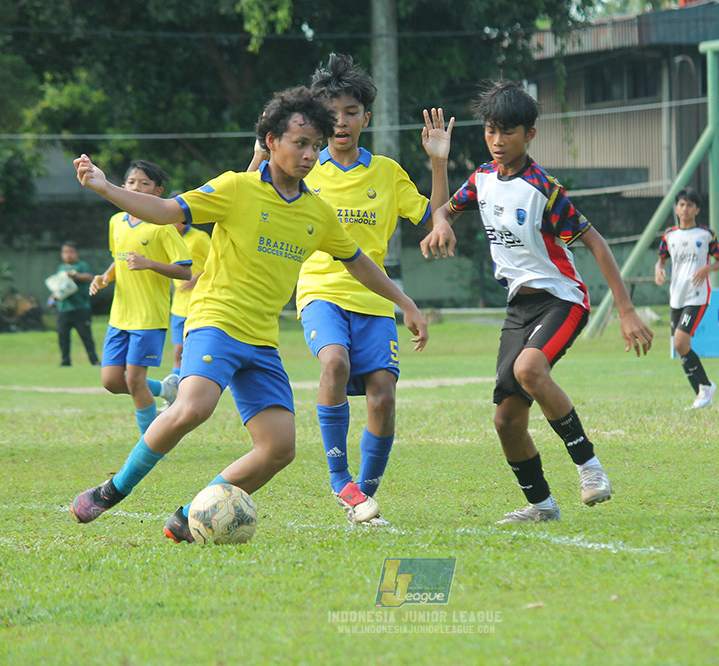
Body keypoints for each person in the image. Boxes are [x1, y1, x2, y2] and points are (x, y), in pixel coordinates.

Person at [69, 85, 428, 543]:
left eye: (316, 146)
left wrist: (405, 303)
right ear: (271, 141)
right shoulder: (235, 188)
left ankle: (191, 515)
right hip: (215, 321)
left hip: (261, 341)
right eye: (300, 143)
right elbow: (164, 210)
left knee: (279, 448)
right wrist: (106, 187)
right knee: (194, 406)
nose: (310, 154)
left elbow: (358, 261)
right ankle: (112, 490)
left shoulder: (316, 212)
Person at [421, 81, 653, 524]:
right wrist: (439, 171)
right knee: (506, 421)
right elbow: (443, 211)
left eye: (508, 131)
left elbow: (597, 244)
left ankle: (590, 468)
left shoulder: (542, 189)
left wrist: (625, 311)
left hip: (562, 300)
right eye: (491, 130)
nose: (497, 140)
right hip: (518, 309)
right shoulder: (482, 180)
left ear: (530, 135)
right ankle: (542, 505)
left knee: (529, 370)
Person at [248, 54, 451, 526]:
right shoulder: (302, 165)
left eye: (351, 112)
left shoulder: (385, 172)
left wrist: (438, 164)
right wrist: (259, 155)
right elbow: (250, 192)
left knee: (383, 394)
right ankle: (341, 480)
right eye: (332, 111)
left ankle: (365, 493)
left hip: (374, 296)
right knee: (334, 361)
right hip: (319, 290)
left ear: (366, 118)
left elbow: (434, 218)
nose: (341, 121)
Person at [89, 160, 192, 435]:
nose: (137, 187)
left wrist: (149, 264)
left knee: (135, 381)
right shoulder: (116, 222)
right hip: (119, 316)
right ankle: (166, 389)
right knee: (111, 381)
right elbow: (119, 259)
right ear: (123, 188)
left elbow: (184, 271)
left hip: (148, 317)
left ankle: (149, 442)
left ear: (158, 192)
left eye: (145, 183)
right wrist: (105, 277)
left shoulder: (163, 226)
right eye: (132, 182)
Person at [654, 187, 719, 409]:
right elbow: (662, 260)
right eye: (681, 205)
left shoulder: (706, 234)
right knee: (680, 347)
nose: (685, 209)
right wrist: (658, 269)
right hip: (677, 296)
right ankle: (701, 394)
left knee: (680, 341)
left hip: (698, 294)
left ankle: (705, 387)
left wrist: (707, 268)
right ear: (676, 208)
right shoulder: (669, 236)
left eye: (689, 205)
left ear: (697, 209)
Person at [166, 218, 211, 378]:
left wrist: (195, 278)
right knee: (178, 352)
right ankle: (176, 392)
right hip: (178, 306)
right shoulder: (166, 237)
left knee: (198, 353)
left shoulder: (199, 237)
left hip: (200, 304)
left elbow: (217, 262)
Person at [51, 241, 100, 366]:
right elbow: (59, 287)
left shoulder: (81, 265)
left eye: (70, 252)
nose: (68, 255)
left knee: (86, 336)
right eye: (65, 252)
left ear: (76, 253)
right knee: (63, 337)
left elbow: (90, 277)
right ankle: (65, 360)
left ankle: (94, 360)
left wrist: (73, 275)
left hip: (80, 308)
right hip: (63, 308)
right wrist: (52, 299)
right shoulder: (61, 268)